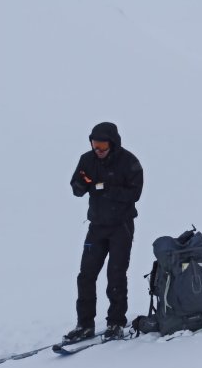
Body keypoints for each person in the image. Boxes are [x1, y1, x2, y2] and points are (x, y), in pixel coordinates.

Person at [64, 122, 144, 342]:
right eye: (94, 144)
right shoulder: (86, 160)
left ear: (113, 143)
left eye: (102, 145)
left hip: (122, 227)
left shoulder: (130, 162)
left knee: (116, 275)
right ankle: (84, 325)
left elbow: (135, 194)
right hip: (96, 227)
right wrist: (81, 185)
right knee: (86, 275)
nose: (97, 150)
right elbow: (76, 187)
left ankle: (116, 322)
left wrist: (106, 188)